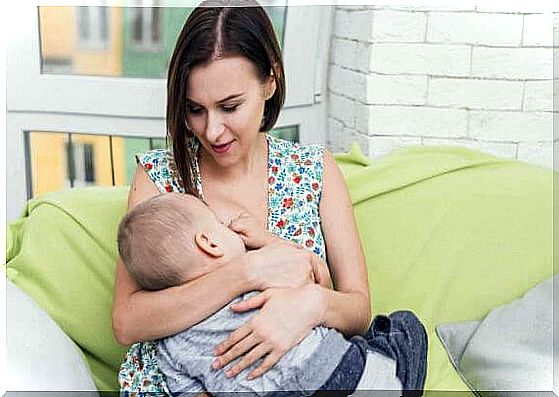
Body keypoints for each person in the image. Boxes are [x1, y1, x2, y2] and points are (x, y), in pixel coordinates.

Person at [112, 0, 427, 395]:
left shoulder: (313, 169)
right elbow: (128, 321)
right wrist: (246, 272)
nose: (212, 131)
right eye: (195, 110)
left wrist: (311, 305)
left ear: (270, 81)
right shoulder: (159, 176)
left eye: (230, 106)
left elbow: (358, 308)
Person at [117, 192, 427, 396]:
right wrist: (266, 241)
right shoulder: (263, 279)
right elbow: (317, 274)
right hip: (336, 373)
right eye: (221, 225)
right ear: (209, 243)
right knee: (404, 327)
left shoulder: (168, 346)